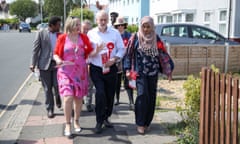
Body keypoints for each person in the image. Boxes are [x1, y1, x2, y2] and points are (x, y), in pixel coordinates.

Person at [53, 16, 101, 137]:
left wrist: (97, 50)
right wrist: (58, 60)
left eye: (79, 25)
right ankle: (68, 124)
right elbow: (55, 54)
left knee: (78, 99)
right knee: (68, 97)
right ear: (70, 25)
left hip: (80, 72)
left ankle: (76, 121)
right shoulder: (62, 38)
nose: (79, 27)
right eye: (77, 25)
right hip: (65, 72)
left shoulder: (83, 38)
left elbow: (89, 53)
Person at [123, 16, 171, 134]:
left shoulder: (156, 38)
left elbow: (163, 55)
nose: (145, 29)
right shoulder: (135, 37)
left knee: (151, 97)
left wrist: (168, 71)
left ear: (152, 27)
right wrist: (127, 70)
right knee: (142, 96)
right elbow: (128, 54)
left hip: (153, 73)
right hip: (140, 72)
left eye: (148, 26)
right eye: (144, 26)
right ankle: (140, 123)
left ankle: (147, 122)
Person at [87, 10, 125, 134]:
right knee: (100, 93)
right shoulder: (91, 33)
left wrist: (114, 59)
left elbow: (121, 49)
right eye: (100, 19)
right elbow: (87, 53)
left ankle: (106, 117)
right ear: (96, 21)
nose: (103, 22)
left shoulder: (114, 33)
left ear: (108, 20)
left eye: (105, 19)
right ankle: (99, 120)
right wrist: (95, 52)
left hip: (111, 68)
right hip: (96, 68)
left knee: (109, 95)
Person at [30, 16, 62, 119]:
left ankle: (57, 98)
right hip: (44, 65)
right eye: (58, 25)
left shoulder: (60, 34)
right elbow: (35, 49)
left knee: (57, 86)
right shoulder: (40, 33)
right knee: (47, 89)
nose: (59, 26)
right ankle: (50, 109)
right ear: (52, 25)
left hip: (57, 64)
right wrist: (33, 64)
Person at [113, 16, 134, 110]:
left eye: (122, 25)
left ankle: (131, 101)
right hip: (117, 61)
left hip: (127, 61)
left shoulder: (129, 35)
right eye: (118, 25)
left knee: (128, 81)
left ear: (124, 25)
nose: (120, 27)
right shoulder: (114, 35)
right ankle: (117, 98)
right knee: (116, 82)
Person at [81, 19, 94, 112]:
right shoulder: (77, 38)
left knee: (89, 85)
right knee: (80, 84)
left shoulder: (93, 39)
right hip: (79, 66)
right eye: (84, 29)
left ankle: (88, 102)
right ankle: (80, 98)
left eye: (88, 29)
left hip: (90, 64)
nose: (86, 31)